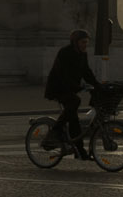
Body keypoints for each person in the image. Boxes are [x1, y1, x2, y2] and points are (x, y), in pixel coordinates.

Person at [44, 29, 101, 157]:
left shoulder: (83, 54)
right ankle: (56, 131)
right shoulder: (65, 52)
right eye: (83, 42)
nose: (85, 45)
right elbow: (62, 74)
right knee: (75, 102)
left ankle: (79, 150)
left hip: (70, 87)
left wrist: (97, 85)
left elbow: (87, 72)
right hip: (57, 87)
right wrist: (78, 86)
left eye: (86, 42)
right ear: (75, 42)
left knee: (74, 119)